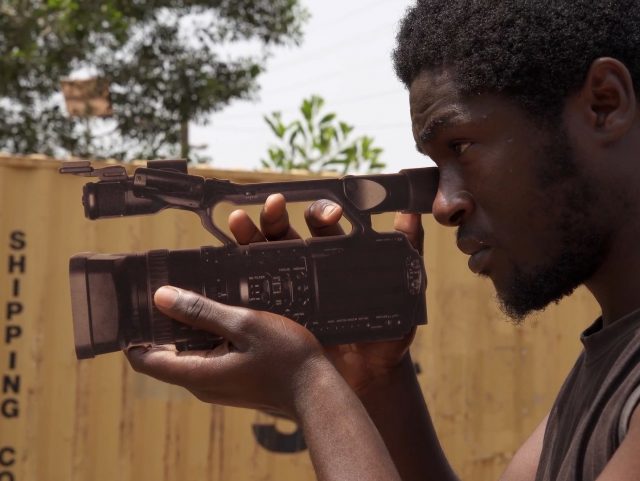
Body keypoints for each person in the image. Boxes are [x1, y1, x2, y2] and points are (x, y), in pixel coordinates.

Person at [126, 1, 640, 480]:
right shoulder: (608, 363)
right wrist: (372, 376)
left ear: (604, 104)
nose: (443, 205)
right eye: (438, 164)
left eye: (461, 145)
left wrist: (310, 386)